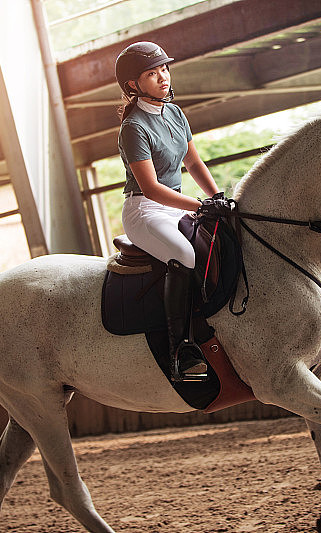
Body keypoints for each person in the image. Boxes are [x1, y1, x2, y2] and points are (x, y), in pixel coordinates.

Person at [115, 41, 230, 382]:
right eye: (152, 73)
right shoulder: (133, 128)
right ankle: (181, 348)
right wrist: (201, 206)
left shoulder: (176, 113)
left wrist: (218, 197)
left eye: (164, 69)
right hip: (145, 212)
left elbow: (193, 162)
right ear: (133, 85)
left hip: (174, 206)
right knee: (184, 253)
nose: (163, 77)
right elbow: (150, 187)